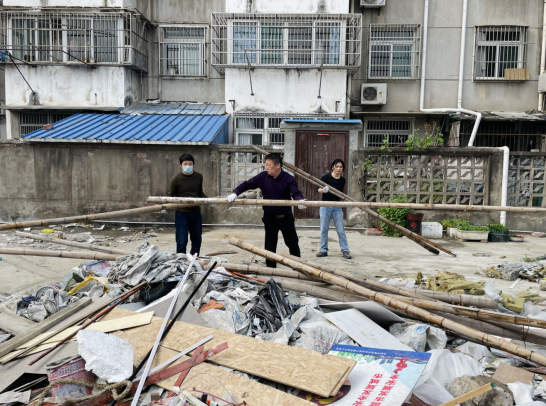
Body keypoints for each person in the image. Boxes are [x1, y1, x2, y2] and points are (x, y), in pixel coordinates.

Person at [226, 153, 307, 268]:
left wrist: (299, 201)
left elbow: (296, 193)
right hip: (270, 218)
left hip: (286, 218)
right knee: (270, 246)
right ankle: (271, 270)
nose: (267, 167)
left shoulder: (288, 178)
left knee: (292, 243)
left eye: (269, 165)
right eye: (266, 165)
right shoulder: (262, 177)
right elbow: (247, 184)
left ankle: (298, 268)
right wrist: (235, 193)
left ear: (278, 165)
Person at [168, 153, 207, 255]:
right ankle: (181, 260)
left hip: (196, 212)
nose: (188, 166)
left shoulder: (199, 177)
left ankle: (194, 259)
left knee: (197, 240)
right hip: (181, 213)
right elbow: (170, 195)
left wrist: (209, 200)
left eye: (190, 164)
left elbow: (199, 193)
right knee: (182, 240)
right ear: (181, 165)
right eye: (185, 164)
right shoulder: (176, 179)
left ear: (193, 164)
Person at [316, 159, 352, 259]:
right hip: (325, 205)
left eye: (340, 167)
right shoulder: (325, 178)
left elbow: (340, 193)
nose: (338, 169)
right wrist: (323, 190)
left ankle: (345, 250)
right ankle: (323, 250)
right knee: (324, 228)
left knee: (341, 229)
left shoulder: (342, 180)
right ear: (333, 167)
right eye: (337, 166)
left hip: (337, 206)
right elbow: (317, 189)